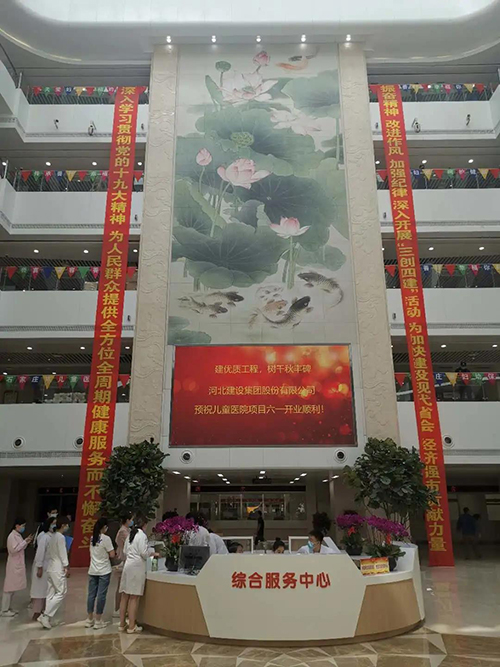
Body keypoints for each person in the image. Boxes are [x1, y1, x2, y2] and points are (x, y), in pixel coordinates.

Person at [119, 515, 159, 634]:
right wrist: (153, 553)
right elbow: (143, 553)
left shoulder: (130, 535)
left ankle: (122, 624)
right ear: (144, 525)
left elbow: (125, 551)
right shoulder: (142, 535)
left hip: (127, 566)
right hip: (136, 568)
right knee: (134, 597)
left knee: (124, 596)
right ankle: (131, 626)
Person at [37, 516, 70, 629]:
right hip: (57, 567)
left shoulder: (52, 536)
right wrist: (66, 566)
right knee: (61, 592)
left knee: (50, 593)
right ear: (63, 525)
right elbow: (62, 553)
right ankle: (45, 615)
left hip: (51, 567)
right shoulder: (60, 537)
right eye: (67, 525)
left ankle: (47, 618)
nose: (67, 527)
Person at [85, 517, 116, 629]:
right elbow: (112, 554)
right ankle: (98, 620)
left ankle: (89, 619)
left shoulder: (92, 538)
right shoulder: (106, 539)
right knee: (101, 595)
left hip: (93, 570)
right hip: (104, 571)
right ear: (104, 527)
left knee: (91, 595)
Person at [2, 517, 33, 616]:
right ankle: (4, 610)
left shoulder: (18, 535)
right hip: (13, 564)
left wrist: (26, 541)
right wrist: (24, 542)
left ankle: (8, 607)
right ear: (17, 526)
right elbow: (14, 549)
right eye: (22, 526)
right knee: (8, 588)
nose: (23, 528)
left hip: (17, 563)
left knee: (13, 588)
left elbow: (21, 547)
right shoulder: (12, 536)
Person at [30, 517, 54, 621]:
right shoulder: (44, 537)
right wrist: (39, 567)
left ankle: (44, 610)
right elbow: (40, 553)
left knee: (46, 590)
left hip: (49, 566)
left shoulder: (53, 536)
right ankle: (37, 611)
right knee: (39, 590)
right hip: (42, 566)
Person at [114, 513, 133, 617]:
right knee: (121, 585)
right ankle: (117, 608)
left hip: (126, 558)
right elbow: (130, 542)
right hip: (122, 557)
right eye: (131, 520)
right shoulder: (123, 531)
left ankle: (123, 608)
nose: (132, 522)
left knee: (124, 584)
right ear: (127, 520)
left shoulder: (128, 530)